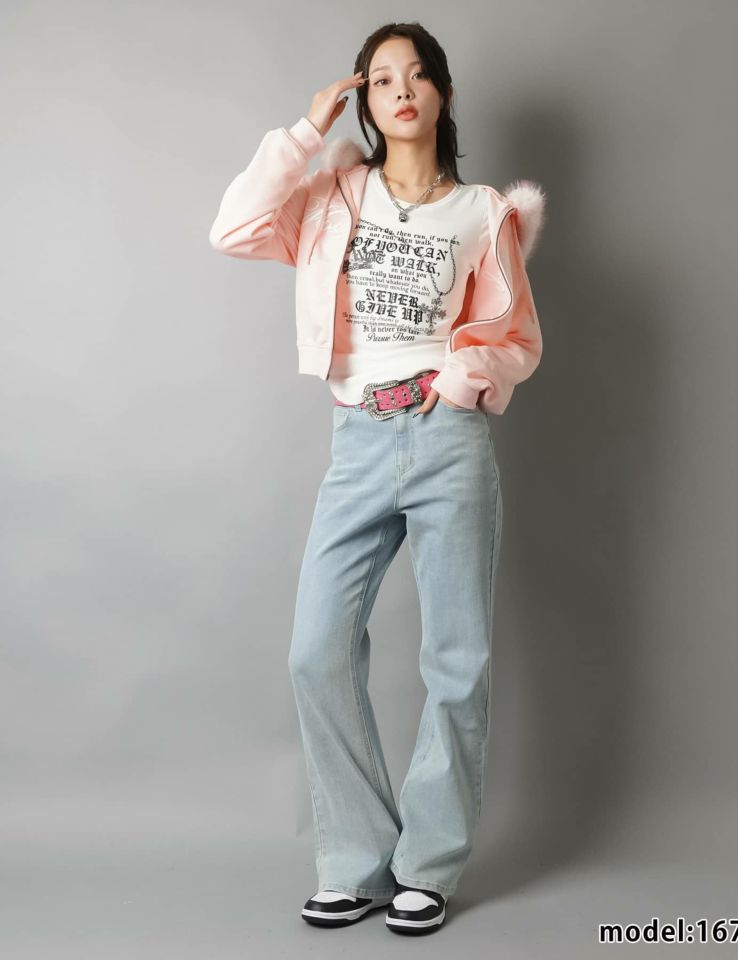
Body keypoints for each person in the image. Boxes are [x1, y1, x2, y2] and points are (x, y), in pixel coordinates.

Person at [209, 21, 546, 935]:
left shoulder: (482, 211)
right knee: (316, 649)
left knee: (457, 660)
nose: (400, 89)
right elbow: (234, 227)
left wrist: (461, 381)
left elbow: (516, 338)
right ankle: (356, 860)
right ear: (364, 96)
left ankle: (426, 866)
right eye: (381, 77)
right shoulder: (333, 194)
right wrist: (305, 132)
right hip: (357, 440)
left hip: (448, 440)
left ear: (442, 93)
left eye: (417, 74)